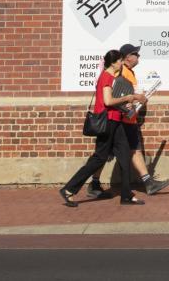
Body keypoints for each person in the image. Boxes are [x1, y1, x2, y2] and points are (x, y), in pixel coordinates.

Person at [59, 49, 148, 206]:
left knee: (125, 155)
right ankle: (69, 189)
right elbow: (107, 101)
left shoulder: (110, 77)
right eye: (120, 61)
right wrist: (130, 97)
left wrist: (125, 103)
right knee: (99, 159)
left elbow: (113, 101)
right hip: (107, 123)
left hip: (116, 121)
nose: (122, 64)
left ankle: (126, 195)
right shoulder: (106, 77)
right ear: (113, 63)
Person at [103, 43, 169, 198]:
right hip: (123, 119)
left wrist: (139, 98)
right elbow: (116, 94)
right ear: (128, 57)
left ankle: (148, 183)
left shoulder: (129, 72)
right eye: (136, 54)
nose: (138, 57)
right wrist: (134, 99)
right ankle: (93, 183)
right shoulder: (121, 72)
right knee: (104, 153)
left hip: (129, 118)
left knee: (132, 150)